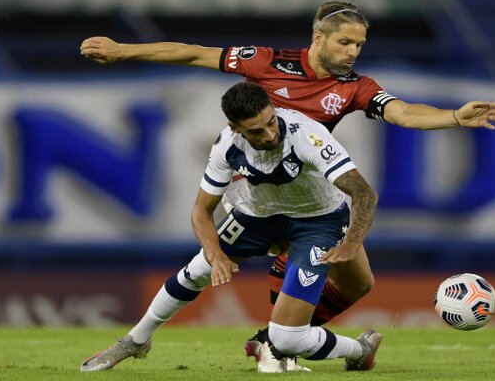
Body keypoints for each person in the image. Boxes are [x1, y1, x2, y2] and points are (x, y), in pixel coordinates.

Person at [80, 0, 495, 372]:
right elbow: (192, 53)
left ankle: (279, 339)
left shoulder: (352, 88)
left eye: (359, 45)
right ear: (319, 37)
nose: (353, 53)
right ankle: (142, 341)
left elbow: (404, 113)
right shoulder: (266, 64)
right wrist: (122, 50)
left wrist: (453, 116)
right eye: (345, 43)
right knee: (200, 267)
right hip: (261, 200)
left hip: (318, 201)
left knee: (359, 284)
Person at [80, 82, 382, 372]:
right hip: (258, 216)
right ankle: (135, 340)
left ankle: (360, 349)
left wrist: (352, 243)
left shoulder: (307, 136)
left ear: (272, 108)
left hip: (318, 221)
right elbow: (201, 209)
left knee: (287, 339)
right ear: (236, 129)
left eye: (270, 122)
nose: (268, 134)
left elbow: (364, 193)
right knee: (198, 268)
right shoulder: (226, 145)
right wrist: (215, 254)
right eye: (256, 130)